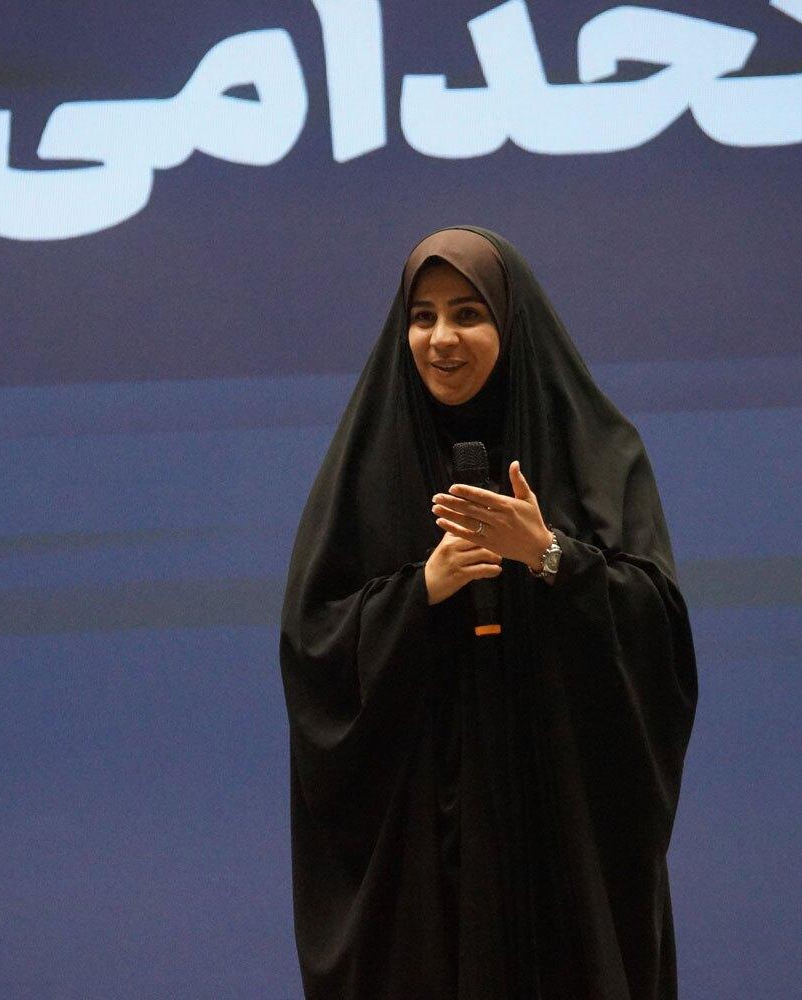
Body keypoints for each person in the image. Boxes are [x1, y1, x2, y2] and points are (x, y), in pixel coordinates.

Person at [278, 225, 698, 999]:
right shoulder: (367, 464)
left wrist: (551, 557)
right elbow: (314, 645)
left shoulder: (598, 452)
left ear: (510, 322)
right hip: (419, 853)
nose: (442, 338)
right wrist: (421, 591)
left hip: (557, 836)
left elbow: (659, 634)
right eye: (423, 316)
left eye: (468, 313)